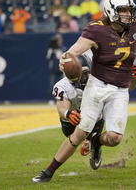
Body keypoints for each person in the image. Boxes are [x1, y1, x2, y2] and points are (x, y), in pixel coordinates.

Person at [31, 0, 136, 183]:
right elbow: (75, 50)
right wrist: (66, 57)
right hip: (98, 84)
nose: (127, 14)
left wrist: (133, 61)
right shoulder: (96, 29)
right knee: (81, 131)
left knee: (115, 138)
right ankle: (49, 171)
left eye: (129, 10)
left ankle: (96, 141)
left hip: (120, 88)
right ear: (110, 11)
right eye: (122, 10)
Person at [32, 53, 105, 184]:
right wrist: (68, 114)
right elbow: (61, 109)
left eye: (84, 73)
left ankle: (94, 142)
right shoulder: (63, 86)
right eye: (76, 72)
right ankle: (93, 140)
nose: (81, 77)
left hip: (95, 116)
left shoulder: (99, 82)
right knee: (73, 137)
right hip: (72, 118)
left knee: (87, 135)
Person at [46, 36, 64, 104]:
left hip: (60, 69)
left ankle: (61, 99)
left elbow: (60, 57)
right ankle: (50, 100)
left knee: (62, 85)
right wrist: (52, 50)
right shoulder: (51, 49)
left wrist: (57, 50)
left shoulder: (61, 48)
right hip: (53, 70)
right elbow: (47, 57)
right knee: (51, 85)